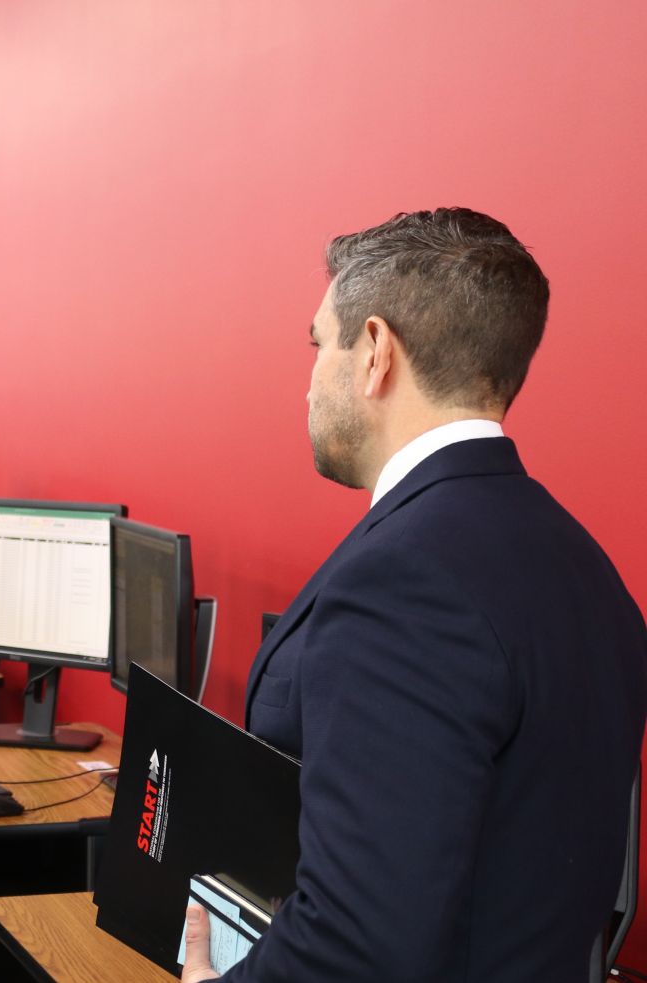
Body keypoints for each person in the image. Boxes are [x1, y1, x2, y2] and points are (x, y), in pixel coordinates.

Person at [181, 208, 647, 982]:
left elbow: (357, 950)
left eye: (318, 344)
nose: (307, 381)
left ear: (373, 353)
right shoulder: (592, 572)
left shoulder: (403, 585)